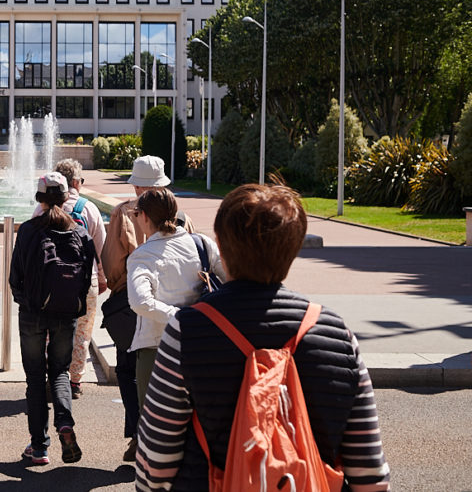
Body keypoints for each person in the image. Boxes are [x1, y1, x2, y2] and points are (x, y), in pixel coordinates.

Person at [136, 184, 391, 490]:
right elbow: (370, 475)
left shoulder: (186, 331)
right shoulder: (338, 336)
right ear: (294, 247)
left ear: (220, 243)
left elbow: (156, 460)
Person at [9, 172, 96, 467]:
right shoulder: (79, 232)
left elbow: (15, 277)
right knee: (59, 373)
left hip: (33, 313)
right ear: (65, 196)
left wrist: (27, 301)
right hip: (66, 313)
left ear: (40, 199)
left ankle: (39, 446)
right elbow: (87, 278)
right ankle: (65, 424)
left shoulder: (29, 231)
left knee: (35, 379)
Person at [100, 155, 183, 462]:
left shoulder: (125, 212)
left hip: (134, 302)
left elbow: (112, 262)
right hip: (178, 301)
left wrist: (115, 282)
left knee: (128, 369)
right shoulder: (181, 215)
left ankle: (139, 434)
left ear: (135, 184)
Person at [126, 187, 223, 410]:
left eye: (136, 213)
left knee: (157, 424)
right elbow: (230, 281)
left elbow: (140, 302)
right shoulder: (202, 244)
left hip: (157, 347)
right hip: (202, 344)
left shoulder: (142, 256)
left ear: (145, 216)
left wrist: (179, 317)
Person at [31, 159, 106, 398]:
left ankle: (50, 378)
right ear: (75, 182)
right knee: (82, 333)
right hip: (84, 281)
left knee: (49, 333)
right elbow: (100, 249)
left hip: (49, 283)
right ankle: (73, 382)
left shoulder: (42, 208)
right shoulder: (89, 208)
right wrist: (102, 279)